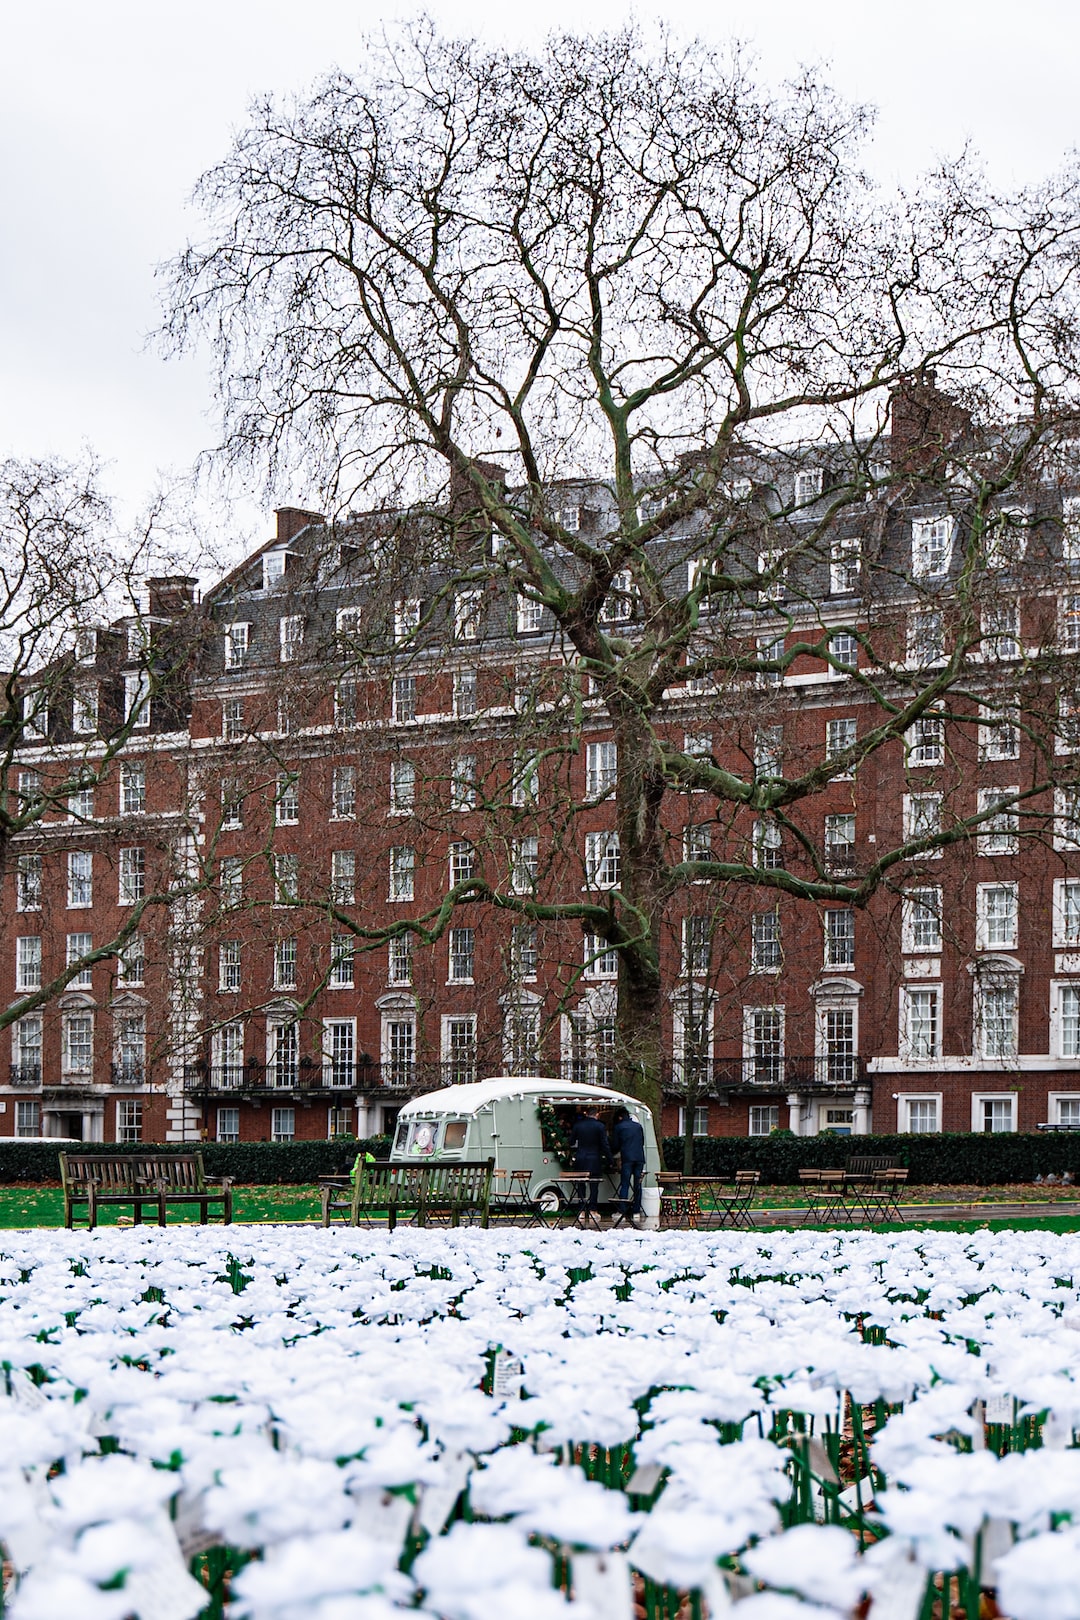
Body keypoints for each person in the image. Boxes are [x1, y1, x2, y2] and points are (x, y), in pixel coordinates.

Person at [569, 1107, 611, 1225]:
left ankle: (581, 1210)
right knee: (594, 1185)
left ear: (586, 1114)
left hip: (581, 1158)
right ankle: (593, 1210)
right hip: (594, 1158)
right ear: (597, 1115)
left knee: (581, 1185)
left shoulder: (578, 1125)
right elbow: (604, 1144)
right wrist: (610, 1159)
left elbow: (571, 1141)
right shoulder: (600, 1126)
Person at [611, 1106, 646, 1224]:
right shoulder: (638, 1126)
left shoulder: (618, 1127)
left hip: (627, 1159)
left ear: (620, 1117)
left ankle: (622, 1211)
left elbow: (615, 1145)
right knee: (637, 1185)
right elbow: (642, 1142)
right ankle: (636, 1211)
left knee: (625, 1184)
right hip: (640, 1158)